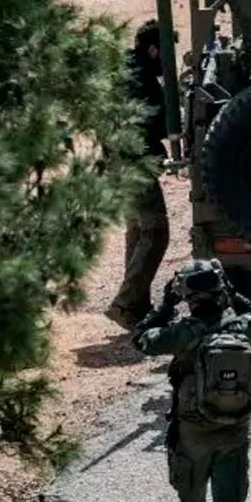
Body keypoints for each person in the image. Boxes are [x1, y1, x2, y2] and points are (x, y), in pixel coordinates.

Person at [132, 259, 251, 502]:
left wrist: (165, 306)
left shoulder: (182, 333)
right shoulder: (240, 328)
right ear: (220, 290)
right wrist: (234, 295)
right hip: (233, 431)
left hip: (193, 435)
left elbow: (140, 339)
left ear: (186, 296)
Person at [106, 19, 172, 327]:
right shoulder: (142, 76)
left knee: (138, 230)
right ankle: (127, 303)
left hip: (119, 160)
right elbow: (157, 124)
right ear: (154, 49)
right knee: (156, 232)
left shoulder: (122, 69)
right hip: (134, 162)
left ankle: (136, 306)